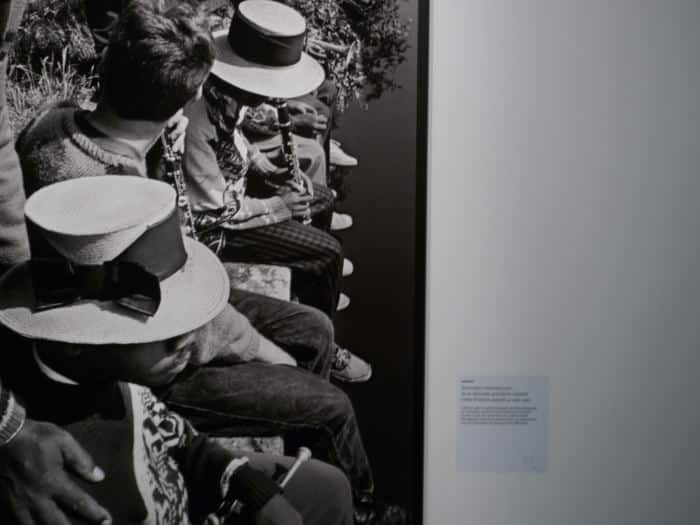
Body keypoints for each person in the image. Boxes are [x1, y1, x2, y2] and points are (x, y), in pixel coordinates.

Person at [14, 3, 399, 523]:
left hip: (152, 296)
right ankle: (359, 508)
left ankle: (296, 427)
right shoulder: (122, 200)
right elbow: (197, 332)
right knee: (329, 407)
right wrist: (267, 355)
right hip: (142, 357)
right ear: (189, 97)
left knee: (312, 328)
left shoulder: (54, 125)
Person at [0, 175, 353, 525]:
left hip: (203, 483)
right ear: (74, 342)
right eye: (162, 330)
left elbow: (178, 437)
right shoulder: (64, 476)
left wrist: (245, 484)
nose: (187, 339)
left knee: (331, 486)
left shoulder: (117, 379)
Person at [181, 0, 354, 317]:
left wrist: (268, 169)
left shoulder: (228, 94)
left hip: (235, 199)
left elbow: (239, 141)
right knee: (328, 252)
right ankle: (317, 308)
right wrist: (280, 205)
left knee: (323, 198)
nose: (273, 94)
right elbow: (216, 210)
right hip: (217, 230)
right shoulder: (197, 122)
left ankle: (310, 274)